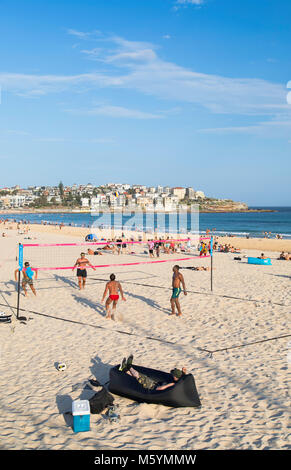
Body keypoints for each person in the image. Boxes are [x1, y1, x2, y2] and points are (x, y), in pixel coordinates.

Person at [119, 355, 187, 391]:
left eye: (173, 375)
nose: (172, 376)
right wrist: (184, 372)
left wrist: (157, 388)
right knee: (140, 377)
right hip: (154, 384)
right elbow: (183, 378)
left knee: (139, 377)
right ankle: (126, 369)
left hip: (152, 387)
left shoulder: (172, 384)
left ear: (176, 377)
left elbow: (161, 388)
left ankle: (129, 367)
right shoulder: (179, 379)